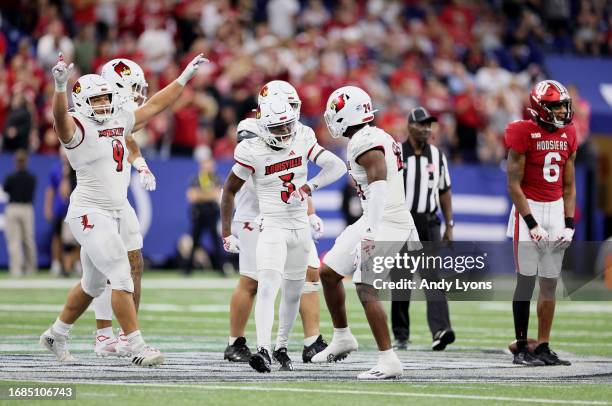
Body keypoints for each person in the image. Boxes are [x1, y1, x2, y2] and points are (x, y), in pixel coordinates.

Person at [39, 52, 207, 366]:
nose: (103, 105)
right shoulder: (76, 127)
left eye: (106, 98)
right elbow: (60, 118)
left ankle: (56, 333)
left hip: (113, 210)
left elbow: (156, 105)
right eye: (97, 100)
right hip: (91, 211)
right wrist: (60, 87)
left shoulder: (118, 117)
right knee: (120, 273)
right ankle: (137, 345)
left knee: (91, 285)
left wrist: (184, 77)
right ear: (83, 103)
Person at [220, 95, 346, 373]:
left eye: (288, 124)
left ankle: (281, 347)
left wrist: (311, 188)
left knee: (293, 291)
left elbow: (337, 166)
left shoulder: (302, 136)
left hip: (299, 226)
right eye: (277, 127)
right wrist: (227, 232)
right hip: (272, 226)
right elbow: (229, 190)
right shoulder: (251, 148)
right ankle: (263, 349)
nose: (285, 131)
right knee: (266, 285)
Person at [311, 86, 419, 380]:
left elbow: (380, 183)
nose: (331, 118)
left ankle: (388, 359)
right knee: (329, 272)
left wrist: (371, 231)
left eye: (335, 112)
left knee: (364, 284)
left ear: (348, 114)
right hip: (375, 216)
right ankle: (342, 337)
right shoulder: (369, 136)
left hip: (387, 221)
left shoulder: (366, 142)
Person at [505, 79, 576, 366]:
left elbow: (569, 186)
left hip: (556, 209)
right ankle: (521, 347)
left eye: (562, 106)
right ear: (539, 108)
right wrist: (532, 223)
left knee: (549, 283)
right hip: (529, 209)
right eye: (555, 106)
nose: (561, 111)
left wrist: (569, 224)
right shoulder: (522, 132)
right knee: (525, 282)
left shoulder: (569, 134)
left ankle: (543, 345)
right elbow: (513, 184)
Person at [91, 58, 157, 358]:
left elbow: (127, 140)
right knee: (101, 273)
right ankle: (104, 335)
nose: (138, 93)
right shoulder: (89, 115)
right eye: (133, 88)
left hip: (118, 200)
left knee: (133, 266)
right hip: (96, 202)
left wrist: (141, 165)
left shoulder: (118, 115)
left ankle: (123, 336)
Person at [391, 106, 455, 351]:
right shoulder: (397, 153)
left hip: (428, 222)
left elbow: (444, 191)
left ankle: (441, 329)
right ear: (410, 126)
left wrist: (449, 224)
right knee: (401, 279)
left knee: (432, 278)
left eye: (429, 124)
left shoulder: (437, 156)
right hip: (402, 222)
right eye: (421, 124)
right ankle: (401, 334)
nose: (427, 128)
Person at [184, 157, 225, 276]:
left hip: (212, 213)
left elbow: (217, 195)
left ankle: (221, 269)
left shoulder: (217, 178)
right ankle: (187, 269)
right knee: (195, 241)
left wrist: (201, 194)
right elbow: (192, 197)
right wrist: (209, 194)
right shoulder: (196, 178)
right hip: (199, 213)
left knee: (216, 242)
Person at [3, 150, 37, 277]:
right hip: (26, 208)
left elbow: (6, 189)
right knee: (27, 239)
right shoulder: (31, 178)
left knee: (15, 240)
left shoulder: (11, 177)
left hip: (14, 208)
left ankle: (16, 269)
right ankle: (30, 268)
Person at [44, 150, 77, 277]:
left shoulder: (77, 168)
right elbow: (53, 190)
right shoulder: (57, 169)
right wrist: (48, 207)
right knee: (57, 237)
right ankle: (57, 264)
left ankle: (76, 264)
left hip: (74, 209)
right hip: (61, 209)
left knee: (77, 240)